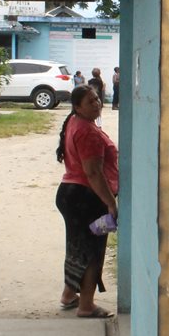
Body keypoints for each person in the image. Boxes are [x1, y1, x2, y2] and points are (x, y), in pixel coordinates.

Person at [54, 84, 117, 318]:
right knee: (92, 250)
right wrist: (110, 203)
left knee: (77, 248)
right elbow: (93, 172)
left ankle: (69, 294)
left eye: (97, 99)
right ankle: (87, 305)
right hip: (86, 198)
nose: (97, 103)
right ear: (77, 107)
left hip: (71, 194)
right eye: (90, 101)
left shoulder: (76, 122)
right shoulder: (88, 132)